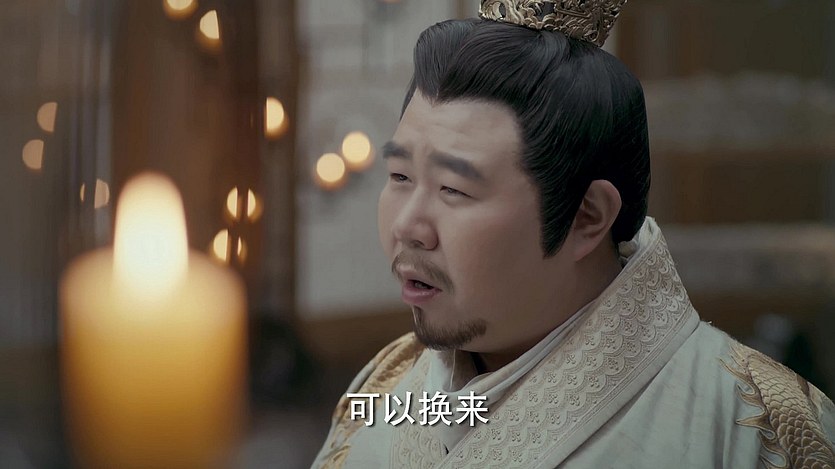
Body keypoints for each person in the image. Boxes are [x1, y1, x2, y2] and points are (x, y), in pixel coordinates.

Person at [311, 1, 835, 467]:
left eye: (454, 189)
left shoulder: (760, 428)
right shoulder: (389, 385)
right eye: (400, 176)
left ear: (587, 216)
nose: (407, 227)